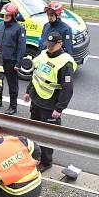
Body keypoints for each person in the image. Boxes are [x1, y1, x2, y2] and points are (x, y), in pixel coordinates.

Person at [24, 31, 76, 173]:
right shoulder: (43, 54)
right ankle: (35, 155)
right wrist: (29, 91)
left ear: (60, 44)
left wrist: (59, 109)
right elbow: (36, 75)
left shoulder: (65, 63)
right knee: (34, 131)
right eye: (48, 45)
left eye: (52, 46)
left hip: (50, 105)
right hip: (37, 100)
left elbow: (68, 89)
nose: (49, 48)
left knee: (47, 135)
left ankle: (46, 162)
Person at [0, 3, 26, 114]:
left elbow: (22, 48)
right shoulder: (0, 25)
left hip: (11, 61)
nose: (5, 17)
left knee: (12, 85)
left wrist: (18, 63)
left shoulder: (19, 28)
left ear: (13, 16)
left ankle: (13, 106)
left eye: (8, 15)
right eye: (4, 15)